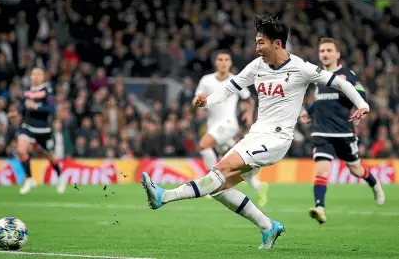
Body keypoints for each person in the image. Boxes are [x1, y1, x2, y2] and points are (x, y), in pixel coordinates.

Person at [141, 16, 370, 249]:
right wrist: (207, 102)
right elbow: (231, 87)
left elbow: (340, 83)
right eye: (256, 42)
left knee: (220, 170)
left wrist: (363, 104)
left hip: (277, 139)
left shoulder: (300, 68)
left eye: (261, 42)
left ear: (277, 44)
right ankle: (268, 226)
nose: (257, 47)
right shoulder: (257, 66)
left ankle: (164, 197)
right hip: (255, 135)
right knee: (220, 188)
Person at [300, 38, 385, 224]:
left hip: (344, 133)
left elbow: (360, 93)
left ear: (338, 54)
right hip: (321, 133)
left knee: (355, 169)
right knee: (321, 171)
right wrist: (309, 112)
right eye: (322, 50)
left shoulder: (347, 74)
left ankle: (374, 183)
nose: (325, 53)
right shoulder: (318, 76)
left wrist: (359, 106)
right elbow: (322, 99)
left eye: (329, 50)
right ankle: (320, 208)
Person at [195, 50, 268, 207]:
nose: (223, 62)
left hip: (228, 124)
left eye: (226, 60)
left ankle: (210, 184)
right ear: (215, 62)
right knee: (236, 163)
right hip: (213, 126)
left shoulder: (236, 80)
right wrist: (198, 103)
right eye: (220, 59)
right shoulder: (206, 80)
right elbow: (197, 98)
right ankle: (259, 188)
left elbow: (249, 100)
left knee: (203, 145)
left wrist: (249, 113)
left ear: (230, 63)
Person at [8, 68, 66, 195]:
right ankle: (29, 179)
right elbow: (24, 107)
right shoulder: (27, 92)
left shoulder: (47, 91)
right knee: (21, 150)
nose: (36, 76)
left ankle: (60, 176)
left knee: (50, 157)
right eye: (34, 74)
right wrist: (16, 112)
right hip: (27, 126)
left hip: (43, 129)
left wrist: (37, 107)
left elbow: (52, 108)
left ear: (42, 77)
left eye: (39, 74)